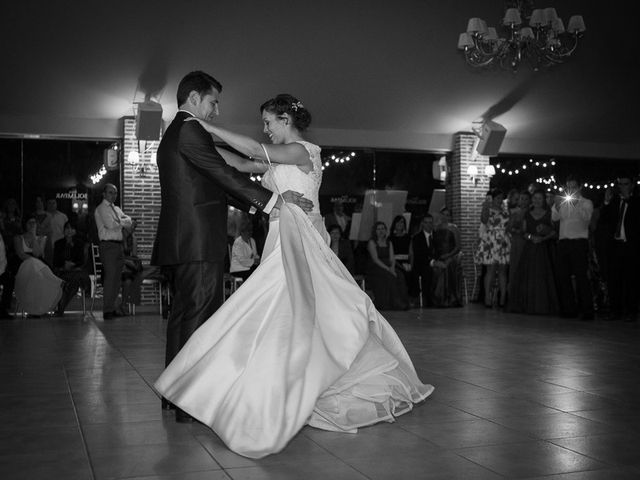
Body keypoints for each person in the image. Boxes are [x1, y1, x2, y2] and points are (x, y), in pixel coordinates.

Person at [155, 92, 432, 459]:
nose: (265, 129)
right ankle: (280, 381)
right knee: (284, 313)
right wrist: (192, 144)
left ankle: (292, 383)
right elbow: (239, 162)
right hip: (279, 237)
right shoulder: (277, 159)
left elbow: (253, 150)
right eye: (265, 124)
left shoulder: (304, 151)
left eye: (269, 122)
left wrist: (202, 123)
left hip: (300, 239)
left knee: (293, 309)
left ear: (286, 120)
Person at [151, 72, 314, 423]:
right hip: (197, 238)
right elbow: (225, 174)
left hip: (184, 238)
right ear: (194, 98)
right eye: (213, 101)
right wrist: (273, 202)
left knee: (184, 315)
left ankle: (173, 393)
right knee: (197, 316)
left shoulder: (175, 132)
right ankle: (186, 400)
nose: (216, 109)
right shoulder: (190, 128)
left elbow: (215, 184)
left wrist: (258, 203)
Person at [507, 189, 559, 314]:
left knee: (543, 277)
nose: (536, 200)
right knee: (528, 276)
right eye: (534, 198)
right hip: (530, 248)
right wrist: (532, 237)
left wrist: (543, 238)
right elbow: (524, 232)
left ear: (544, 200)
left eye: (539, 198)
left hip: (545, 249)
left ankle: (543, 305)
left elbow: (555, 232)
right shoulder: (527, 214)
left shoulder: (549, 214)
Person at [552, 175, 594, 320]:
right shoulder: (563, 202)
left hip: (579, 242)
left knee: (581, 277)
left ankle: (587, 310)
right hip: (563, 242)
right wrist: (557, 205)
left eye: (573, 187)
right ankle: (569, 309)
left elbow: (586, 220)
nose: (570, 190)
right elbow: (554, 218)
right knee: (563, 277)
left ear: (579, 188)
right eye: (568, 187)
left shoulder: (586, 203)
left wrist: (576, 204)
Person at [600, 172, 639, 321]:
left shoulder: (636, 202)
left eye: (625, 184)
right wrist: (606, 202)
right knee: (614, 279)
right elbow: (603, 220)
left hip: (631, 246)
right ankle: (615, 310)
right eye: (620, 184)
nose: (622, 187)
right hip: (615, 246)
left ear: (632, 185)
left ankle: (631, 311)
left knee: (631, 280)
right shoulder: (614, 202)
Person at [94, 183, 132, 319]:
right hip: (108, 245)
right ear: (104, 194)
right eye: (110, 192)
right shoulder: (101, 208)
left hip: (118, 245)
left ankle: (112, 308)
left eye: (115, 193)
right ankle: (107, 310)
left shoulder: (116, 208)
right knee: (110, 278)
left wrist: (120, 221)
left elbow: (129, 221)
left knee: (117, 279)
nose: (113, 195)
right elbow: (111, 225)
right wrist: (122, 222)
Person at [13, 217, 63, 316]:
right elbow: (21, 254)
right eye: (29, 223)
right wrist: (33, 261)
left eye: (34, 223)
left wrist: (33, 237)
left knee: (40, 275)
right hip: (23, 263)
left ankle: (41, 308)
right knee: (33, 267)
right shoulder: (18, 238)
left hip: (37, 263)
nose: (32, 225)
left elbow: (38, 253)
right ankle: (32, 308)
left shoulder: (40, 238)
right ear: (25, 224)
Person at [475, 188, 510, 308]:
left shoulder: (506, 210)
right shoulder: (488, 209)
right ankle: (487, 297)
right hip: (491, 239)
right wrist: (485, 207)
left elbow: (509, 225)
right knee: (490, 270)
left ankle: (503, 298)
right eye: (497, 198)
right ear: (493, 198)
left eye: (501, 198)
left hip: (503, 240)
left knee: (502, 271)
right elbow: (484, 221)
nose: (499, 200)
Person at [53, 221, 90, 316]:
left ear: (75, 231)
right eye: (67, 228)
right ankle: (60, 309)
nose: (69, 231)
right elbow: (55, 261)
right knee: (75, 281)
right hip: (62, 271)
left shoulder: (79, 244)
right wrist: (64, 264)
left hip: (74, 270)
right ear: (64, 230)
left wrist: (72, 265)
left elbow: (81, 261)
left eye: (71, 228)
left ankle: (60, 309)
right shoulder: (58, 243)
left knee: (74, 281)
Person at [431, 209, 463, 307]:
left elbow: (458, 247)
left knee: (447, 267)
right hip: (439, 256)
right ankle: (438, 299)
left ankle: (450, 299)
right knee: (437, 267)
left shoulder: (454, 228)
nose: (445, 217)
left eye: (448, 215)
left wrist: (448, 256)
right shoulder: (436, 228)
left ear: (450, 217)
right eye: (443, 215)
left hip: (452, 256)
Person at [410, 214, 435, 307]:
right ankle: (428, 300)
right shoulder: (417, 238)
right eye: (426, 222)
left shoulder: (437, 235)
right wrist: (432, 262)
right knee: (427, 271)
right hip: (422, 264)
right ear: (422, 224)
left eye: (430, 222)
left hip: (436, 262)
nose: (428, 225)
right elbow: (419, 255)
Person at [44, 197, 68, 266]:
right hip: (46, 246)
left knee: (59, 265)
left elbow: (67, 230)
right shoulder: (43, 216)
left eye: (53, 203)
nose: (51, 205)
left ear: (56, 204)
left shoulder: (63, 216)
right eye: (49, 203)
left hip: (60, 246)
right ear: (46, 204)